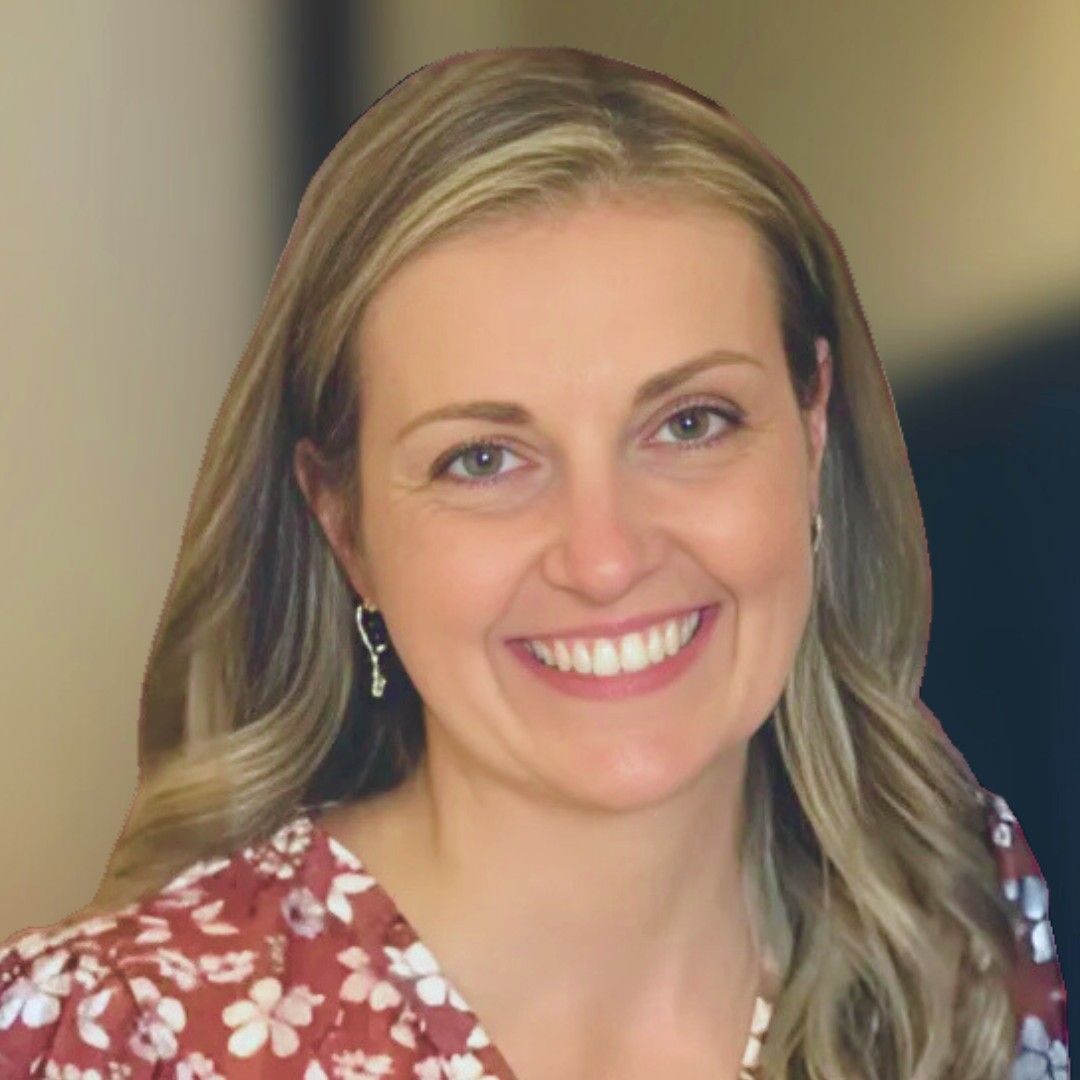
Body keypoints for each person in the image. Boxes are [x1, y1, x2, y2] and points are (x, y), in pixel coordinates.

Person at [0, 46, 1067, 1080]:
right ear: (343, 523)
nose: (604, 557)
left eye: (691, 423)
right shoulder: (109, 1038)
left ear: (814, 425)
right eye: (483, 458)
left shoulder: (956, 939)